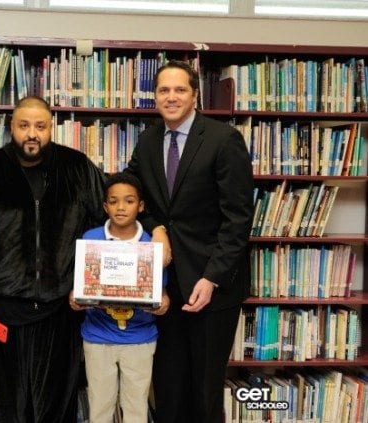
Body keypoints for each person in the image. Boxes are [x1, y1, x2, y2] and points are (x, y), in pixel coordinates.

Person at [0, 95, 106, 423]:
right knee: (9, 407)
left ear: (51, 128)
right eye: (24, 125)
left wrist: (85, 287)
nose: (32, 134)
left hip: (62, 310)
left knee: (57, 408)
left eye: (40, 126)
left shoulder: (78, 169)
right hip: (2, 309)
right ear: (11, 127)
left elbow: (104, 229)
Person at [125, 60, 254, 423]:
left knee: (203, 393)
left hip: (211, 289)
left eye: (180, 89)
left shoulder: (223, 139)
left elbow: (238, 219)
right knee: (167, 388)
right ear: (154, 98)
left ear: (195, 95)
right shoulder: (149, 139)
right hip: (168, 288)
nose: (171, 97)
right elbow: (135, 195)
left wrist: (211, 278)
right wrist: (157, 228)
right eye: (163, 90)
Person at [68, 172, 170, 423]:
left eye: (129, 201)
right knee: (100, 406)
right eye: (113, 201)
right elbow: (78, 286)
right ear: (105, 206)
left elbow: (162, 291)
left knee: (135, 407)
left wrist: (163, 302)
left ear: (141, 206)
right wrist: (75, 297)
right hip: (97, 337)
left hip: (140, 339)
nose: (121, 207)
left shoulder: (151, 244)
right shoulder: (91, 239)